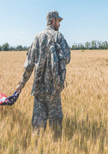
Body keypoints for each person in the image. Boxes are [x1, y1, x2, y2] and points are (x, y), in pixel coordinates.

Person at [16, 11, 71, 139]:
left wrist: (21, 84)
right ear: (53, 21)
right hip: (54, 90)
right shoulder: (59, 37)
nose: (59, 24)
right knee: (56, 127)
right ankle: (56, 153)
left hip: (39, 90)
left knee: (37, 128)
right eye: (58, 21)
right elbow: (67, 58)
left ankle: (37, 153)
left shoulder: (37, 37)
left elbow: (29, 64)